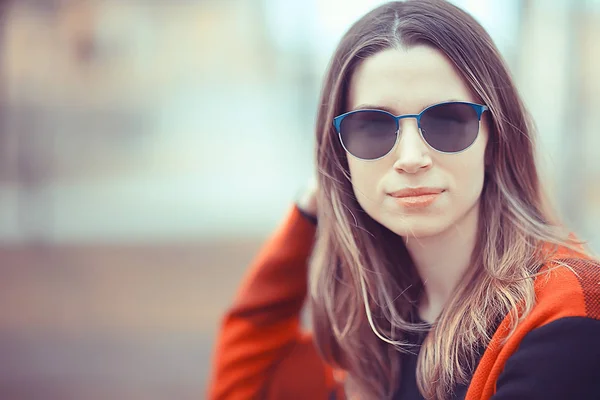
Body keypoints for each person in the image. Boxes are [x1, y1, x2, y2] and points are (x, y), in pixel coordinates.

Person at [207, 1, 600, 399]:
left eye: (447, 120)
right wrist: (310, 210)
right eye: (372, 127)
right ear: (339, 156)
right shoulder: (370, 328)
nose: (411, 158)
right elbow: (242, 385)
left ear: (494, 139)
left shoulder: (564, 313)